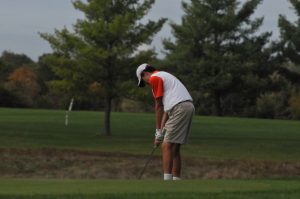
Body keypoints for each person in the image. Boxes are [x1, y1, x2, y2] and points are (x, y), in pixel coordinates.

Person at [136, 63, 195, 180]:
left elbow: (158, 106)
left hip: (179, 108)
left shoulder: (155, 78)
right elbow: (166, 111)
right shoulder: (165, 76)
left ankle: (167, 182)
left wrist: (158, 131)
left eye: (144, 81)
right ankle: (176, 180)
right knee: (174, 148)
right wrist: (160, 134)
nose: (147, 84)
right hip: (187, 107)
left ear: (145, 74)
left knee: (166, 145)